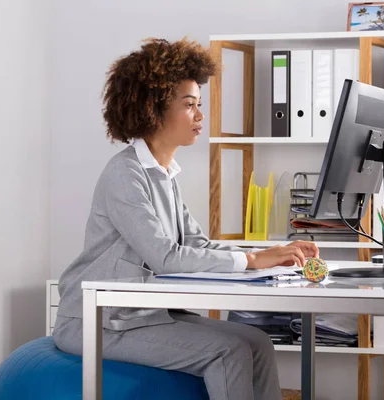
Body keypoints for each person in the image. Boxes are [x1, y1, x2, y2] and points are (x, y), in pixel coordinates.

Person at [53, 37, 320, 400]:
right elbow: (164, 255)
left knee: (257, 341)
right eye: (189, 105)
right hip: (99, 322)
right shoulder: (125, 174)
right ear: (154, 109)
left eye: (199, 104)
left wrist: (266, 255)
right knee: (230, 351)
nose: (200, 116)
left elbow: (194, 245)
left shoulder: (164, 173)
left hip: (142, 314)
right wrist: (251, 260)